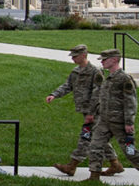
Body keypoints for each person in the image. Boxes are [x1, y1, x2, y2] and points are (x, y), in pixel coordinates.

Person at [88, 49, 139, 186]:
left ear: (114, 60)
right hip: (105, 120)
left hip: (119, 122)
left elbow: (130, 102)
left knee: (130, 151)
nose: (102, 62)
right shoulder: (108, 79)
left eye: (105, 59)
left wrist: (129, 122)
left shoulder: (124, 79)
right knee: (95, 146)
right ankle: (94, 176)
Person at [44, 43, 102, 176]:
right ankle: (115, 164)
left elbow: (98, 93)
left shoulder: (95, 71)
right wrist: (54, 94)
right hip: (84, 110)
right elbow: (68, 85)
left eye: (75, 56)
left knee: (86, 137)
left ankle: (72, 165)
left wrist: (91, 113)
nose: (73, 59)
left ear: (84, 55)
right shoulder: (76, 72)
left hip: (95, 111)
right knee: (98, 136)